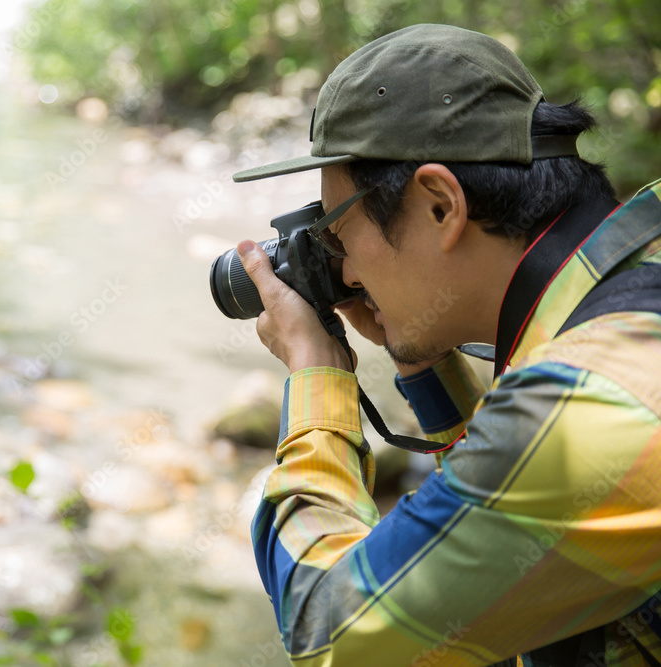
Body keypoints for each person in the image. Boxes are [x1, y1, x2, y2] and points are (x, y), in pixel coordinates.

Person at [230, 23, 661, 667]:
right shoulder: (627, 293)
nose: (342, 272)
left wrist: (317, 377)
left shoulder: (592, 403)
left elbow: (330, 630)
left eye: (338, 235)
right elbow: (500, 518)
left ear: (440, 205)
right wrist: (423, 361)